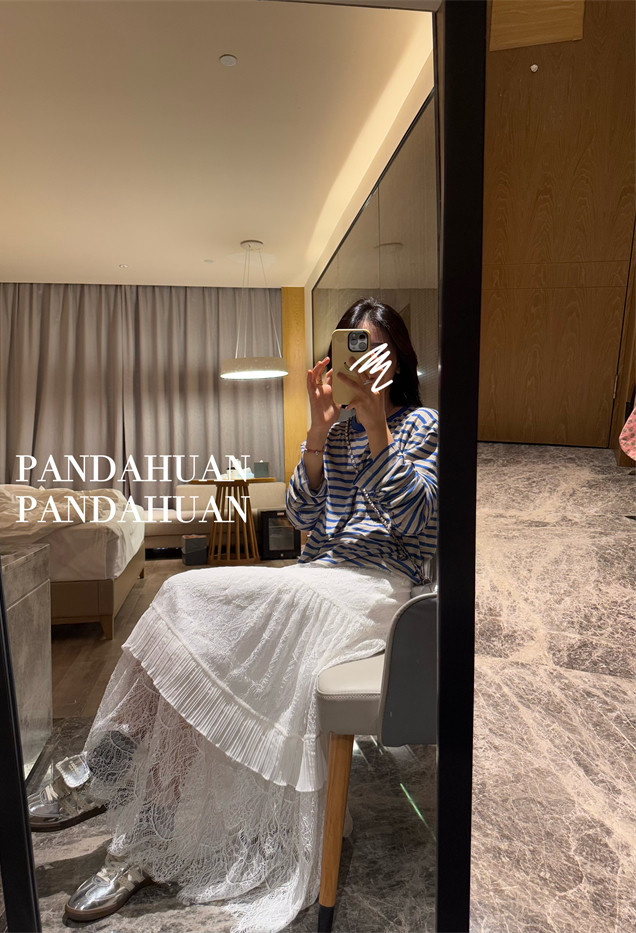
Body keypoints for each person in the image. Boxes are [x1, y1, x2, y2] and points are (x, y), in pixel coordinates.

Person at [27, 297, 438, 932]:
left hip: (374, 591)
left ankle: (106, 786)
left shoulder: (421, 426)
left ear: (396, 361)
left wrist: (380, 423)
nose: (358, 364)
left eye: (372, 350)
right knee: (187, 630)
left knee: (185, 598)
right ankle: (141, 829)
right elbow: (301, 516)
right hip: (314, 579)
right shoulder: (338, 433)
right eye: (348, 349)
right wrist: (319, 432)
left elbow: (421, 523)